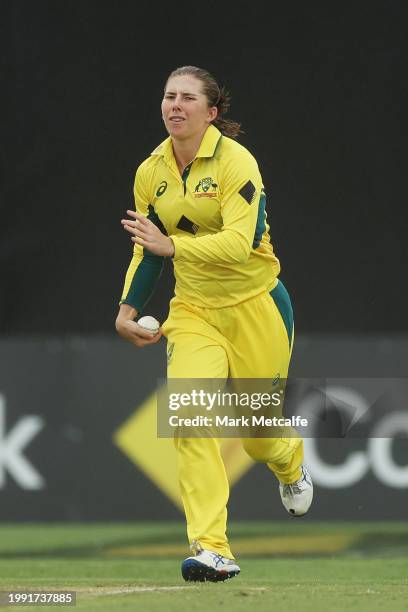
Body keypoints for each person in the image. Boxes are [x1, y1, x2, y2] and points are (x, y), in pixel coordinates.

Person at [115, 65, 313, 582]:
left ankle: (289, 461)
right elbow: (149, 252)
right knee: (188, 417)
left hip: (256, 306)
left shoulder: (236, 162)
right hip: (195, 311)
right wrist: (127, 310)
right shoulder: (150, 171)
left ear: (212, 112)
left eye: (187, 98)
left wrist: (171, 244)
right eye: (167, 97)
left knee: (257, 436)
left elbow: (237, 244)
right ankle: (211, 548)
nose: (174, 105)